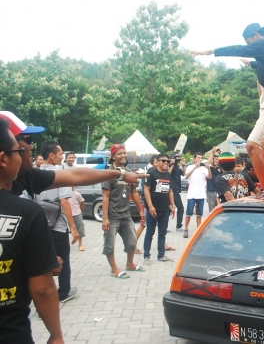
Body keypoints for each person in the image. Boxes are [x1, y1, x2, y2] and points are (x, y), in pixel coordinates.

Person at [192, 23, 264, 196]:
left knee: (252, 146)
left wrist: (210, 52)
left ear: (255, 35)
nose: (249, 46)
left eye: (249, 42)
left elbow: (236, 49)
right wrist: (251, 64)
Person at [0, 118, 64, 343]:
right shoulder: (26, 211)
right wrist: (55, 335)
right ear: (3, 159)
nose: (24, 153)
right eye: (18, 149)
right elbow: (42, 289)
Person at [0, 111, 146, 197]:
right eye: (28, 140)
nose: (32, 147)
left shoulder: (25, 177)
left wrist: (120, 174)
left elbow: (75, 175)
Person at [37, 140, 79, 303]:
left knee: (42, 261)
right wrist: (73, 227)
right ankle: (63, 293)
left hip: (39, 226)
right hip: (57, 226)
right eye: (61, 154)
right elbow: (64, 202)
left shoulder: (35, 173)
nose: (63, 156)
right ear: (52, 155)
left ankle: (43, 292)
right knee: (63, 260)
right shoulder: (60, 175)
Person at [102, 144, 146, 277]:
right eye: (119, 153)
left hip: (126, 214)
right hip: (112, 216)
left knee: (132, 242)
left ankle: (130, 264)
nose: (123, 156)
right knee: (110, 244)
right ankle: (114, 269)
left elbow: (134, 192)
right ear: (113, 156)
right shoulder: (109, 173)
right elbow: (105, 196)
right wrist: (105, 218)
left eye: (124, 153)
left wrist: (141, 210)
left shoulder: (128, 172)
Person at [143, 153, 175, 263]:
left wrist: (172, 205)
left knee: (162, 233)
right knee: (150, 232)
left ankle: (161, 255)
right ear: (157, 161)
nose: (166, 163)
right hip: (153, 210)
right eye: (163, 161)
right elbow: (146, 189)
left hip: (165, 209)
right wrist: (150, 206)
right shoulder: (151, 173)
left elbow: (170, 191)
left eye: (168, 161)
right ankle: (146, 256)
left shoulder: (168, 175)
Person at [182, 152, 209, 238]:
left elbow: (210, 177)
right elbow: (186, 176)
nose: (199, 159)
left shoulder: (203, 169)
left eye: (201, 158)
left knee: (199, 214)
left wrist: (209, 169)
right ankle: (186, 229)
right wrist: (195, 167)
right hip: (192, 194)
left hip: (201, 195)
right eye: (198, 157)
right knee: (189, 213)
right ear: (194, 159)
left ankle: (198, 230)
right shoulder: (190, 167)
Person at [168, 153, 185, 231]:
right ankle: (163, 225)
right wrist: (172, 164)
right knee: (170, 208)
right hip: (171, 189)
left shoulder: (178, 167)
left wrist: (184, 165)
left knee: (180, 208)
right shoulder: (169, 166)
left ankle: (179, 225)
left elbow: (184, 174)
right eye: (176, 158)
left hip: (176, 189)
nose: (178, 159)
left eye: (179, 158)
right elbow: (168, 174)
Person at [68, 186, 85, 251]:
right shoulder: (65, 195)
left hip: (77, 213)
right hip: (67, 215)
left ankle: (80, 244)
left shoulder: (77, 194)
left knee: (80, 228)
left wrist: (80, 211)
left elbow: (82, 203)